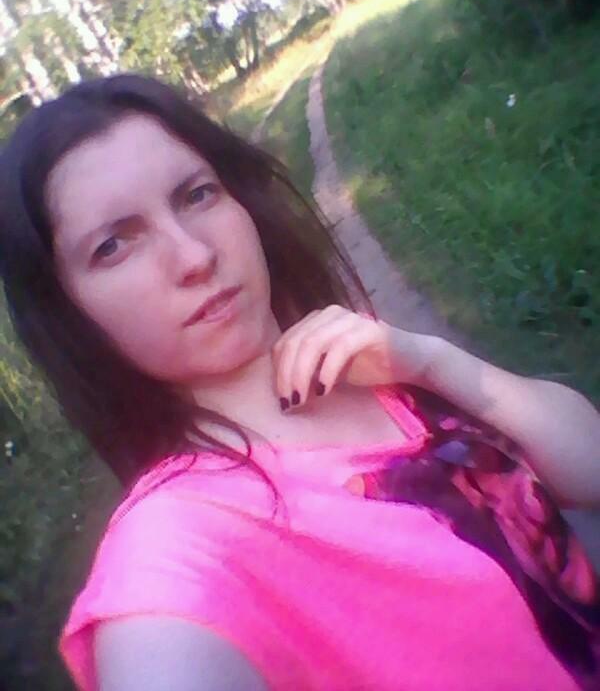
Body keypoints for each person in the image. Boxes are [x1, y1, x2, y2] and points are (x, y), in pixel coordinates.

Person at [0, 73, 598, 691]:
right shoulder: (181, 548)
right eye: (113, 246)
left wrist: (436, 365)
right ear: (67, 314)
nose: (194, 256)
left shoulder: (377, 371)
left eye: (197, 195)